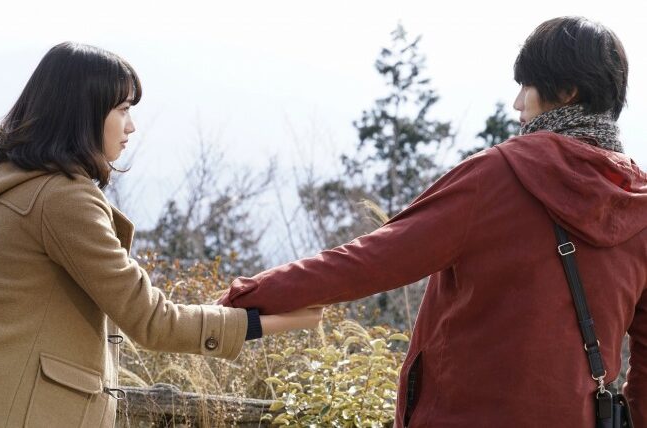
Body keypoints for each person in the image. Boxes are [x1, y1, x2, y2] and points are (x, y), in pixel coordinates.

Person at [218, 16, 647, 427]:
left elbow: (373, 259)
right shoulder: (638, 204)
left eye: (527, 86)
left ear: (567, 92)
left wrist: (248, 295)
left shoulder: (498, 176)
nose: (517, 103)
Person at [0, 42, 322, 427]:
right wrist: (280, 319)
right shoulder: (61, 200)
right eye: (122, 109)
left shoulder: (6, 180)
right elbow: (152, 320)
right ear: (83, 112)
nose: (131, 126)